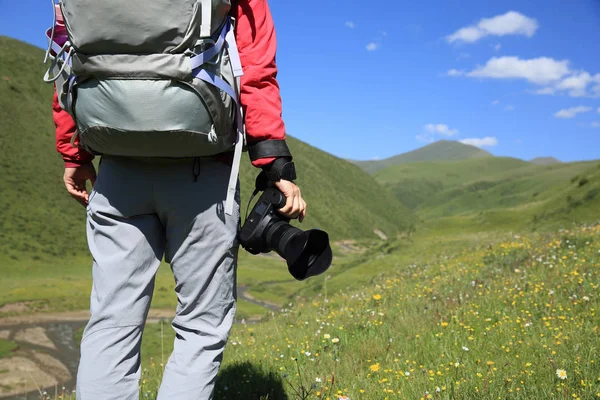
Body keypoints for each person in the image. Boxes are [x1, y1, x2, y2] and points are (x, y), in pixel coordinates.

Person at [51, 1, 306, 398]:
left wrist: (73, 151)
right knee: (201, 324)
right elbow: (255, 67)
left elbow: (68, 54)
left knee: (111, 321)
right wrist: (274, 162)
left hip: (118, 166)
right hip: (203, 170)